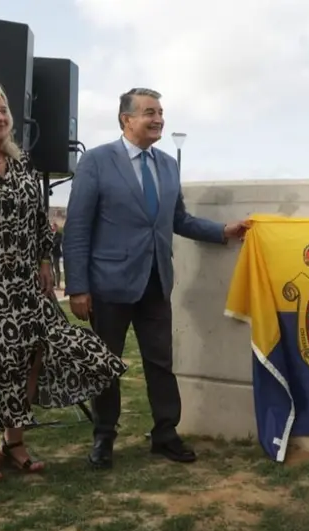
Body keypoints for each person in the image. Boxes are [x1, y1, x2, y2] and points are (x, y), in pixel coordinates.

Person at [0, 75, 128, 484]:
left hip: (22, 285)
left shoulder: (21, 164)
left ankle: (13, 441)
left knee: (30, 356)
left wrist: (43, 259)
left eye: (3, 110)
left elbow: (38, 219)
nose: (0, 117)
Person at [63, 87, 248, 469]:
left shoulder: (167, 165)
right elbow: (77, 229)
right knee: (105, 363)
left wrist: (222, 231)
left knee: (161, 362)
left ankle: (165, 433)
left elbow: (177, 220)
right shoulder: (96, 162)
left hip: (156, 283)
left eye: (161, 111)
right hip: (108, 285)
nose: (159, 118)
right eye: (149, 112)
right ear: (126, 119)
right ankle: (104, 437)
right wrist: (78, 287)